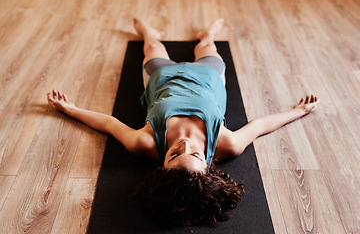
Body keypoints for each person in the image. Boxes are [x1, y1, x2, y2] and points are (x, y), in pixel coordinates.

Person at [47, 18, 320, 226]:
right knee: (207, 47)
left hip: (163, 77)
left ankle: (148, 33)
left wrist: (70, 109)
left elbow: (108, 123)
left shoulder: (143, 142)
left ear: (161, 168)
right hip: (208, 77)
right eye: (195, 153)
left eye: (174, 154)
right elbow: (260, 126)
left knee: (153, 46)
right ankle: (208, 35)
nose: (184, 144)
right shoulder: (228, 143)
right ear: (210, 164)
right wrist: (299, 111)